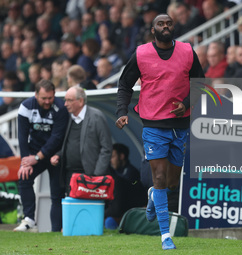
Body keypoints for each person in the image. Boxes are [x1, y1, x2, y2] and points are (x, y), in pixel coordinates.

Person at [115, 14, 204, 250]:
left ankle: (155, 194)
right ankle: (165, 235)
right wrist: (122, 111)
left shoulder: (187, 51)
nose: (165, 27)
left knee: (171, 183)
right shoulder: (142, 54)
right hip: (153, 123)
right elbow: (125, 84)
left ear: (174, 27)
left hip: (180, 124)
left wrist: (186, 103)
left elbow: (201, 83)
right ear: (153, 30)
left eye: (169, 23)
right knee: (160, 176)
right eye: (160, 24)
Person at [14, 80, 68, 232]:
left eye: (50, 98)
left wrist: (37, 157)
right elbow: (22, 137)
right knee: (24, 177)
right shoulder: (26, 107)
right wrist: (26, 162)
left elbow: (57, 137)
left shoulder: (61, 108)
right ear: (36, 95)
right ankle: (29, 219)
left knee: (57, 193)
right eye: (44, 98)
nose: (47, 101)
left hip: (55, 155)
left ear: (54, 95)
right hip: (35, 151)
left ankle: (56, 230)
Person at [50, 86, 112, 192]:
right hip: (70, 176)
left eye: (69, 100)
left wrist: (97, 175)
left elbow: (106, 148)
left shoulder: (96, 116)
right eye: (65, 100)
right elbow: (69, 144)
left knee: (88, 207)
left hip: (90, 177)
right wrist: (58, 155)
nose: (65, 104)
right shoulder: (68, 118)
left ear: (80, 101)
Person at [105, 143, 147, 227]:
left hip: (133, 213)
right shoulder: (118, 172)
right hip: (125, 211)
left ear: (121, 156)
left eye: (113, 157)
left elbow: (122, 201)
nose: (110, 160)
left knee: (109, 221)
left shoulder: (130, 174)